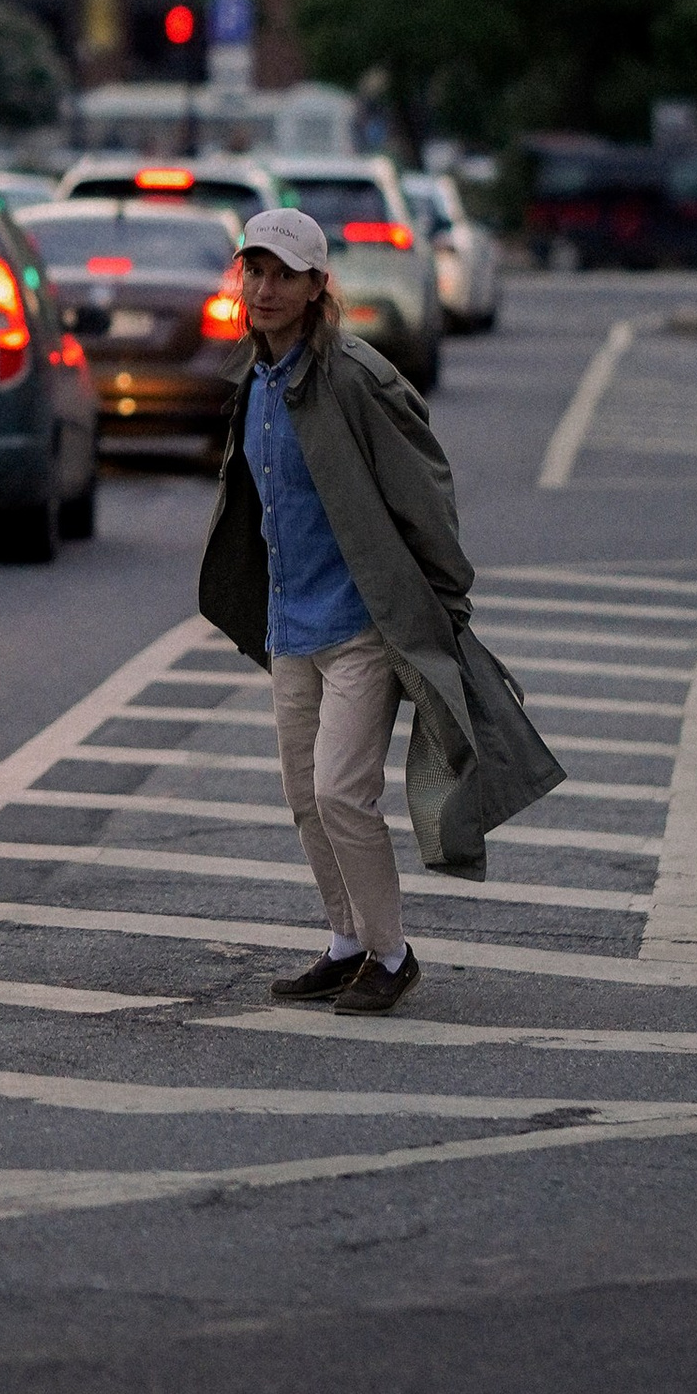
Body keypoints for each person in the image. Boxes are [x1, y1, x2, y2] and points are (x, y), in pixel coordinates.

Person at [199, 207, 565, 1014]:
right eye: (254, 271)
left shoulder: (353, 377)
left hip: (361, 623)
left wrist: (446, 594)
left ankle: (391, 955)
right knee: (305, 797)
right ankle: (346, 943)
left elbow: (422, 483)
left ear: (315, 288)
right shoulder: (257, 379)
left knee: (341, 793)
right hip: (291, 624)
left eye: (284, 275)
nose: (265, 288)